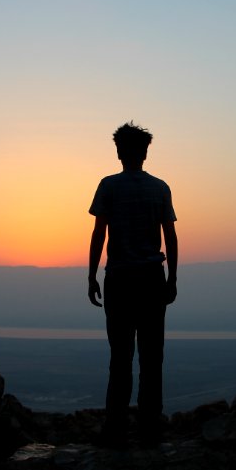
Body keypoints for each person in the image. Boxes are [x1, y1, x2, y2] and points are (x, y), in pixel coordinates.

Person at [87, 122, 178, 447]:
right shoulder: (160, 187)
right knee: (153, 358)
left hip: (120, 280)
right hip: (152, 280)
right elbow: (170, 235)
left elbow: (100, 232)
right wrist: (173, 278)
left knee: (120, 358)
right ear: (145, 152)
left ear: (119, 152)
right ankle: (150, 428)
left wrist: (91, 275)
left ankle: (115, 429)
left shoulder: (108, 186)